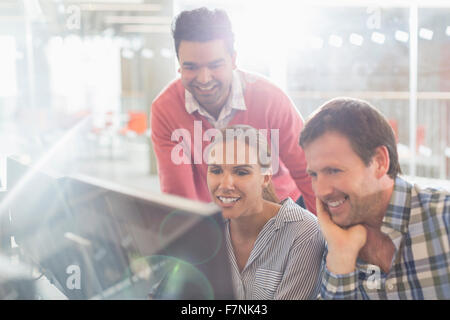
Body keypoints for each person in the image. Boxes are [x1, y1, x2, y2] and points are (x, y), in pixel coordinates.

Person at [150, 7, 316, 213]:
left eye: (215, 65)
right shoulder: (165, 109)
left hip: (279, 208)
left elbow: (308, 173)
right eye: (191, 67)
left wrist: (326, 238)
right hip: (216, 213)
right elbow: (179, 196)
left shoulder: (271, 100)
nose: (204, 79)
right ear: (179, 65)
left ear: (234, 60)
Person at [299, 97, 450, 299]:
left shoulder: (444, 218)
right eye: (314, 175)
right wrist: (341, 257)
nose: (321, 191)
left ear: (380, 162)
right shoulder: (331, 240)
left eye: (334, 170)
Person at [206, 125, 325, 300]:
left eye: (241, 172)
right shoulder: (204, 229)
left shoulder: (305, 232)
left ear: (266, 178)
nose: (225, 185)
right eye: (216, 170)